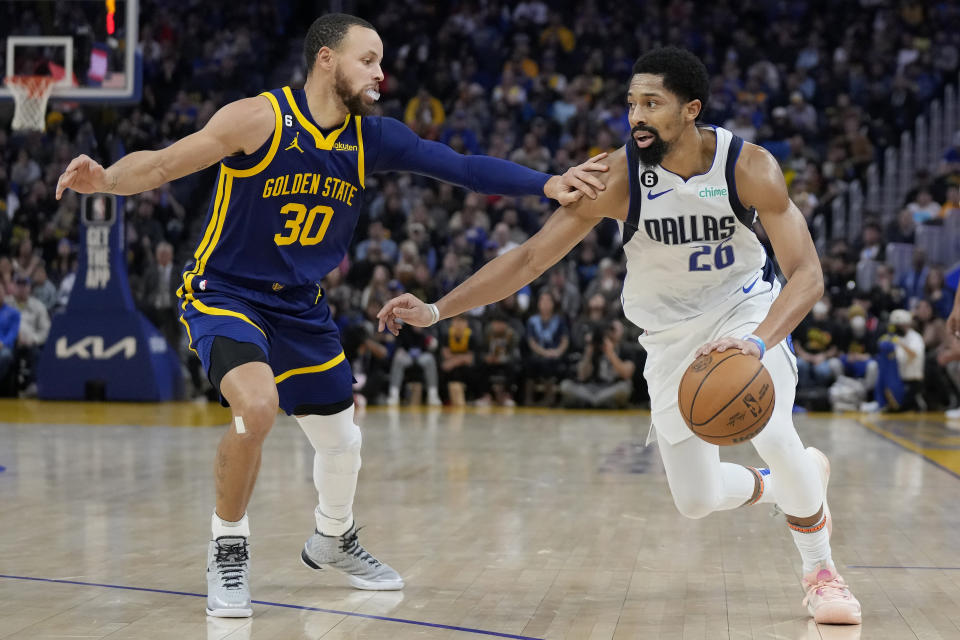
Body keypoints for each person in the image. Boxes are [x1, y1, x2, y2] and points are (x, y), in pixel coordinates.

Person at [55, 13, 607, 619]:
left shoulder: (373, 138)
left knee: (342, 442)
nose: (380, 72)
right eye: (367, 59)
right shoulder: (259, 119)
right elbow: (163, 165)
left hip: (300, 304)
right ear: (326, 59)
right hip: (226, 292)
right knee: (256, 409)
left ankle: (333, 537)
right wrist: (106, 179)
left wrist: (548, 183)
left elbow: (464, 167)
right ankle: (228, 546)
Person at [378, 47, 862, 625]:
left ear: (691, 110)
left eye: (651, 103)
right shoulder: (616, 177)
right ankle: (787, 482)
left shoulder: (747, 166)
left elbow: (807, 274)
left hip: (743, 314)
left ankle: (821, 573)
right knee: (697, 500)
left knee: (774, 429)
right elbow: (531, 258)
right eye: (631, 103)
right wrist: (437, 310)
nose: (635, 115)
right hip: (668, 339)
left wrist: (758, 341)